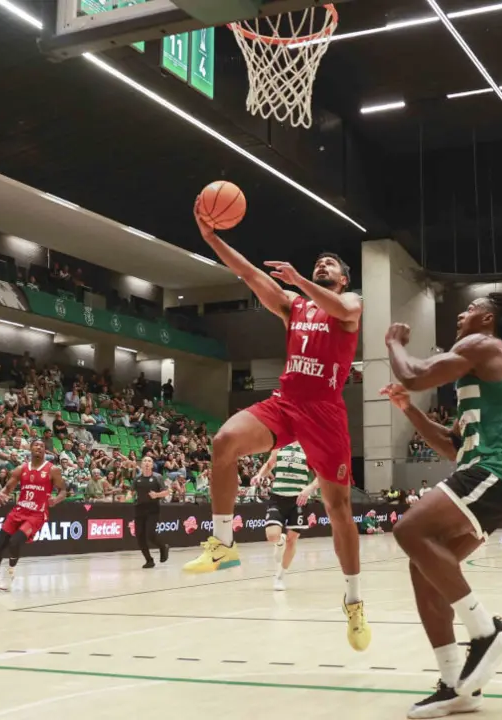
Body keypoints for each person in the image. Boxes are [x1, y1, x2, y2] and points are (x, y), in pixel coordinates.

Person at [184, 207, 368, 652]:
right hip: (286, 404)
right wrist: (211, 238)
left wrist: (300, 279)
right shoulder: (294, 305)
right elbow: (248, 273)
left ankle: (354, 600)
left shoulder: (350, 304)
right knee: (223, 441)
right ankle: (223, 542)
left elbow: (342, 308)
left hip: (325, 412)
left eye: (331, 265)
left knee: (339, 509)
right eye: (318, 262)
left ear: (343, 278)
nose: (323, 265)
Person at [379, 291, 502, 718]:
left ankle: (487, 632)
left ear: (486, 318)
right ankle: (456, 688)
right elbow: (451, 446)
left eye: (470, 308)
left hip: (499, 468)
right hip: (496, 471)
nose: (461, 314)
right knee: (423, 567)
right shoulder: (480, 372)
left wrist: (393, 342)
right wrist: (409, 409)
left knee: (409, 529)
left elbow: (413, 373)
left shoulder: (480, 344)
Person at [0, 439, 66, 593]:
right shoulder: (21, 468)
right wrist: (2, 493)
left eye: (42, 446)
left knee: (15, 542)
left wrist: (56, 499)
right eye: (36, 445)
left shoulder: (52, 470)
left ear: (44, 451)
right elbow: (8, 487)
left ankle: (10, 574)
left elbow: (63, 490)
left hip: (37, 514)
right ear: (30, 448)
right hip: (19, 511)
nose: (39, 447)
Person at [256, 441, 319, 591]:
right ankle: (279, 542)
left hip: (298, 499)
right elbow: (270, 464)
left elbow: (322, 475)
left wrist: (309, 488)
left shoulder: (310, 447)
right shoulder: (281, 444)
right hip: (278, 497)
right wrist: (259, 475)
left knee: (292, 540)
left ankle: (280, 576)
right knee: (272, 535)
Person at [133, 456, 170, 568]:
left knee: (150, 534)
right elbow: (132, 492)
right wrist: (127, 496)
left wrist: (157, 495)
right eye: (145, 461)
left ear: (152, 465)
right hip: (139, 509)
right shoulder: (137, 478)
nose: (147, 463)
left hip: (153, 509)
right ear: (142, 464)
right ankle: (149, 560)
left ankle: (163, 547)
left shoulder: (157, 477)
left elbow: (166, 492)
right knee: (139, 536)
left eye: (149, 461)